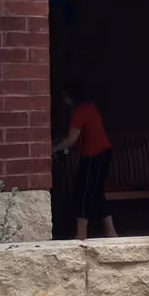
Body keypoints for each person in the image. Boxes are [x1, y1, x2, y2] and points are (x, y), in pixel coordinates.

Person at [55, 79, 117, 239]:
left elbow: (71, 140)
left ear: (70, 96)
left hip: (93, 157)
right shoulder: (90, 108)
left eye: (65, 97)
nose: (64, 100)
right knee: (96, 192)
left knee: (84, 192)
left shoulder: (79, 111)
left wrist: (52, 149)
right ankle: (111, 231)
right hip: (102, 153)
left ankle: (81, 234)